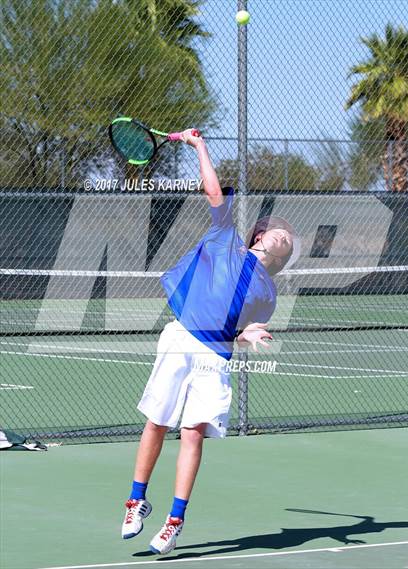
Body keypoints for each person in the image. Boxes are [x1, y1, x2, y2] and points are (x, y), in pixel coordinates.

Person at [121, 130, 300, 555]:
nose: (284, 237)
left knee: (193, 433)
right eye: (279, 231)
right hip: (180, 337)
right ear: (259, 236)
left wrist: (245, 334)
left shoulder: (267, 295)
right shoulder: (224, 237)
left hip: (213, 354)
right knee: (156, 422)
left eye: (289, 241)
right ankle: (136, 500)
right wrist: (199, 145)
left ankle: (174, 520)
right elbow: (214, 190)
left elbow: (233, 331)